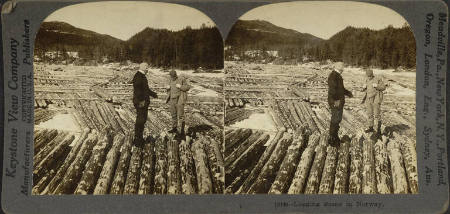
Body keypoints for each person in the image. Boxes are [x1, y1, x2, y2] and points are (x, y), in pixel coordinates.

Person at [132, 62, 158, 147]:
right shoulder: (139, 76)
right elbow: (138, 90)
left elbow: (145, 89)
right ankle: (137, 140)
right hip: (141, 102)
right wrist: (141, 101)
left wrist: (153, 94)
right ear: (143, 68)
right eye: (147, 69)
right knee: (140, 120)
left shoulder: (141, 76)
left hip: (142, 102)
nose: (148, 70)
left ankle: (139, 138)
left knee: (142, 120)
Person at [327, 65, 353, 147]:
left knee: (337, 119)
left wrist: (348, 93)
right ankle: (332, 139)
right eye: (342, 69)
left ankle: (334, 136)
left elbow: (340, 89)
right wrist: (336, 100)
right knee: (335, 119)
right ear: (340, 69)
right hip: (336, 101)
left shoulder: (337, 75)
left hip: (338, 101)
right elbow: (332, 90)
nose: (343, 70)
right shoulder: (333, 76)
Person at [362, 69, 387, 135]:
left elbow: (384, 88)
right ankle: (371, 128)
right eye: (368, 76)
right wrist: (363, 88)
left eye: (370, 76)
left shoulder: (378, 79)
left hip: (376, 98)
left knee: (376, 114)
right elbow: (364, 89)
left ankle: (378, 130)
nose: (369, 77)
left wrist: (377, 86)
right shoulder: (366, 79)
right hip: (369, 98)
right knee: (369, 114)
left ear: (372, 75)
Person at [166, 69, 190, 135]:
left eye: (174, 76)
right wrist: (167, 88)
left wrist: (181, 87)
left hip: (179, 99)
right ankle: (174, 128)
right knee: (173, 114)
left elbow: (188, 87)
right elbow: (168, 89)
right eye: (171, 76)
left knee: (180, 116)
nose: (172, 77)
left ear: (176, 75)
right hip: (172, 99)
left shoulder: (181, 79)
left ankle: (182, 130)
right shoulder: (170, 80)